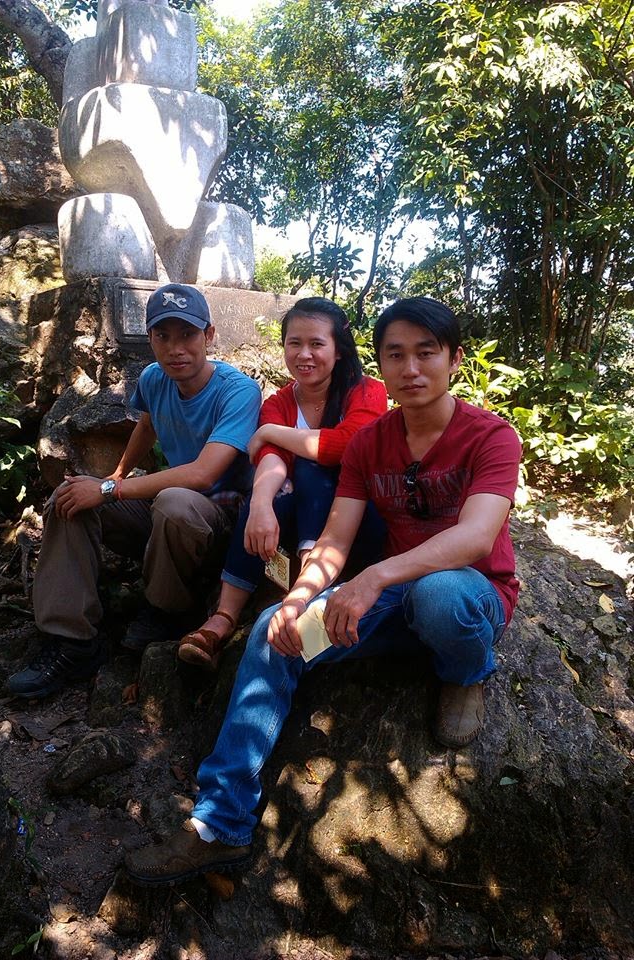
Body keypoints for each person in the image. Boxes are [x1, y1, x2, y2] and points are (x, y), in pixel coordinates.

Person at [123, 296, 522, 886]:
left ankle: (466, 672)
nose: (411, 369)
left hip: (469, 595)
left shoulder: (490, 436)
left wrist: (374, 577)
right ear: (380, 363)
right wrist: (297, 599)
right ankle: (219, 824)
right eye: (396, 355)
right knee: (273, 632)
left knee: (439, 594)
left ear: (454, 359)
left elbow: (476, 536)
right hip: (392, 605)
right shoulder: (370, 442)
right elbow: (334, 540)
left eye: (426, 353)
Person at [8, 283, 261, 699]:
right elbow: (148, 424)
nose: (175, 348)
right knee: (69, 497)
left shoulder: (238, 391)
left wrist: (110, 488)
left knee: (175, 502)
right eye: (163, 336)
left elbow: (203, 475)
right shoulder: (154, 378)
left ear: (209, 336)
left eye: (188, 335)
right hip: (165, 514)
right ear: (151, 339)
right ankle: (71, 639)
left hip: (219, 526)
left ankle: (163, 610)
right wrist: (117, 474)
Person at [177, 296, 388, 671]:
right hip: (298, 522)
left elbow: (347, 446)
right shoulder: (278, 403)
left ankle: (306, 592)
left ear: (338, 349)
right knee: (274, 491)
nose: (304, 354)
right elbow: (271, 458)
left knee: (310, 468)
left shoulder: (366, 391)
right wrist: (259, 505)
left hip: (358, 525)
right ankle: (223, 618)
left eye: (317, 344)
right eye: (295, 343)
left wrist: (272, 432)